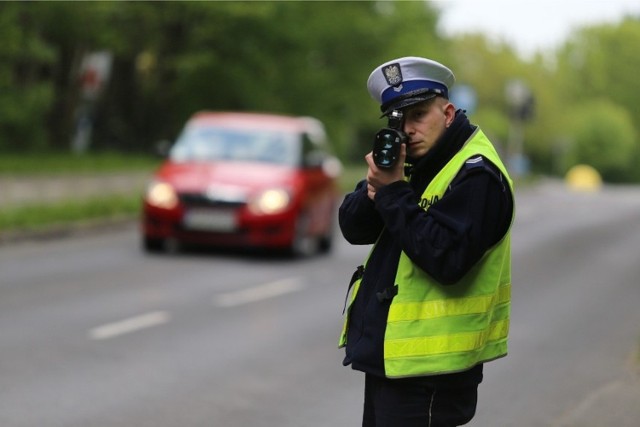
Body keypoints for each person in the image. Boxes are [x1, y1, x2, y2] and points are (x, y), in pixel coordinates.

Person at [338, 56, 515, 426]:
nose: (407, 129)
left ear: (448, 113)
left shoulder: (476, 173)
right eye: (397, 120)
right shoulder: (415, 162)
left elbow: (446, 258)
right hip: (393, 363)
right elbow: (353, 229)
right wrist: (376, 186)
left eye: (418, 115)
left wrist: (394, 193)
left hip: (433, 375)